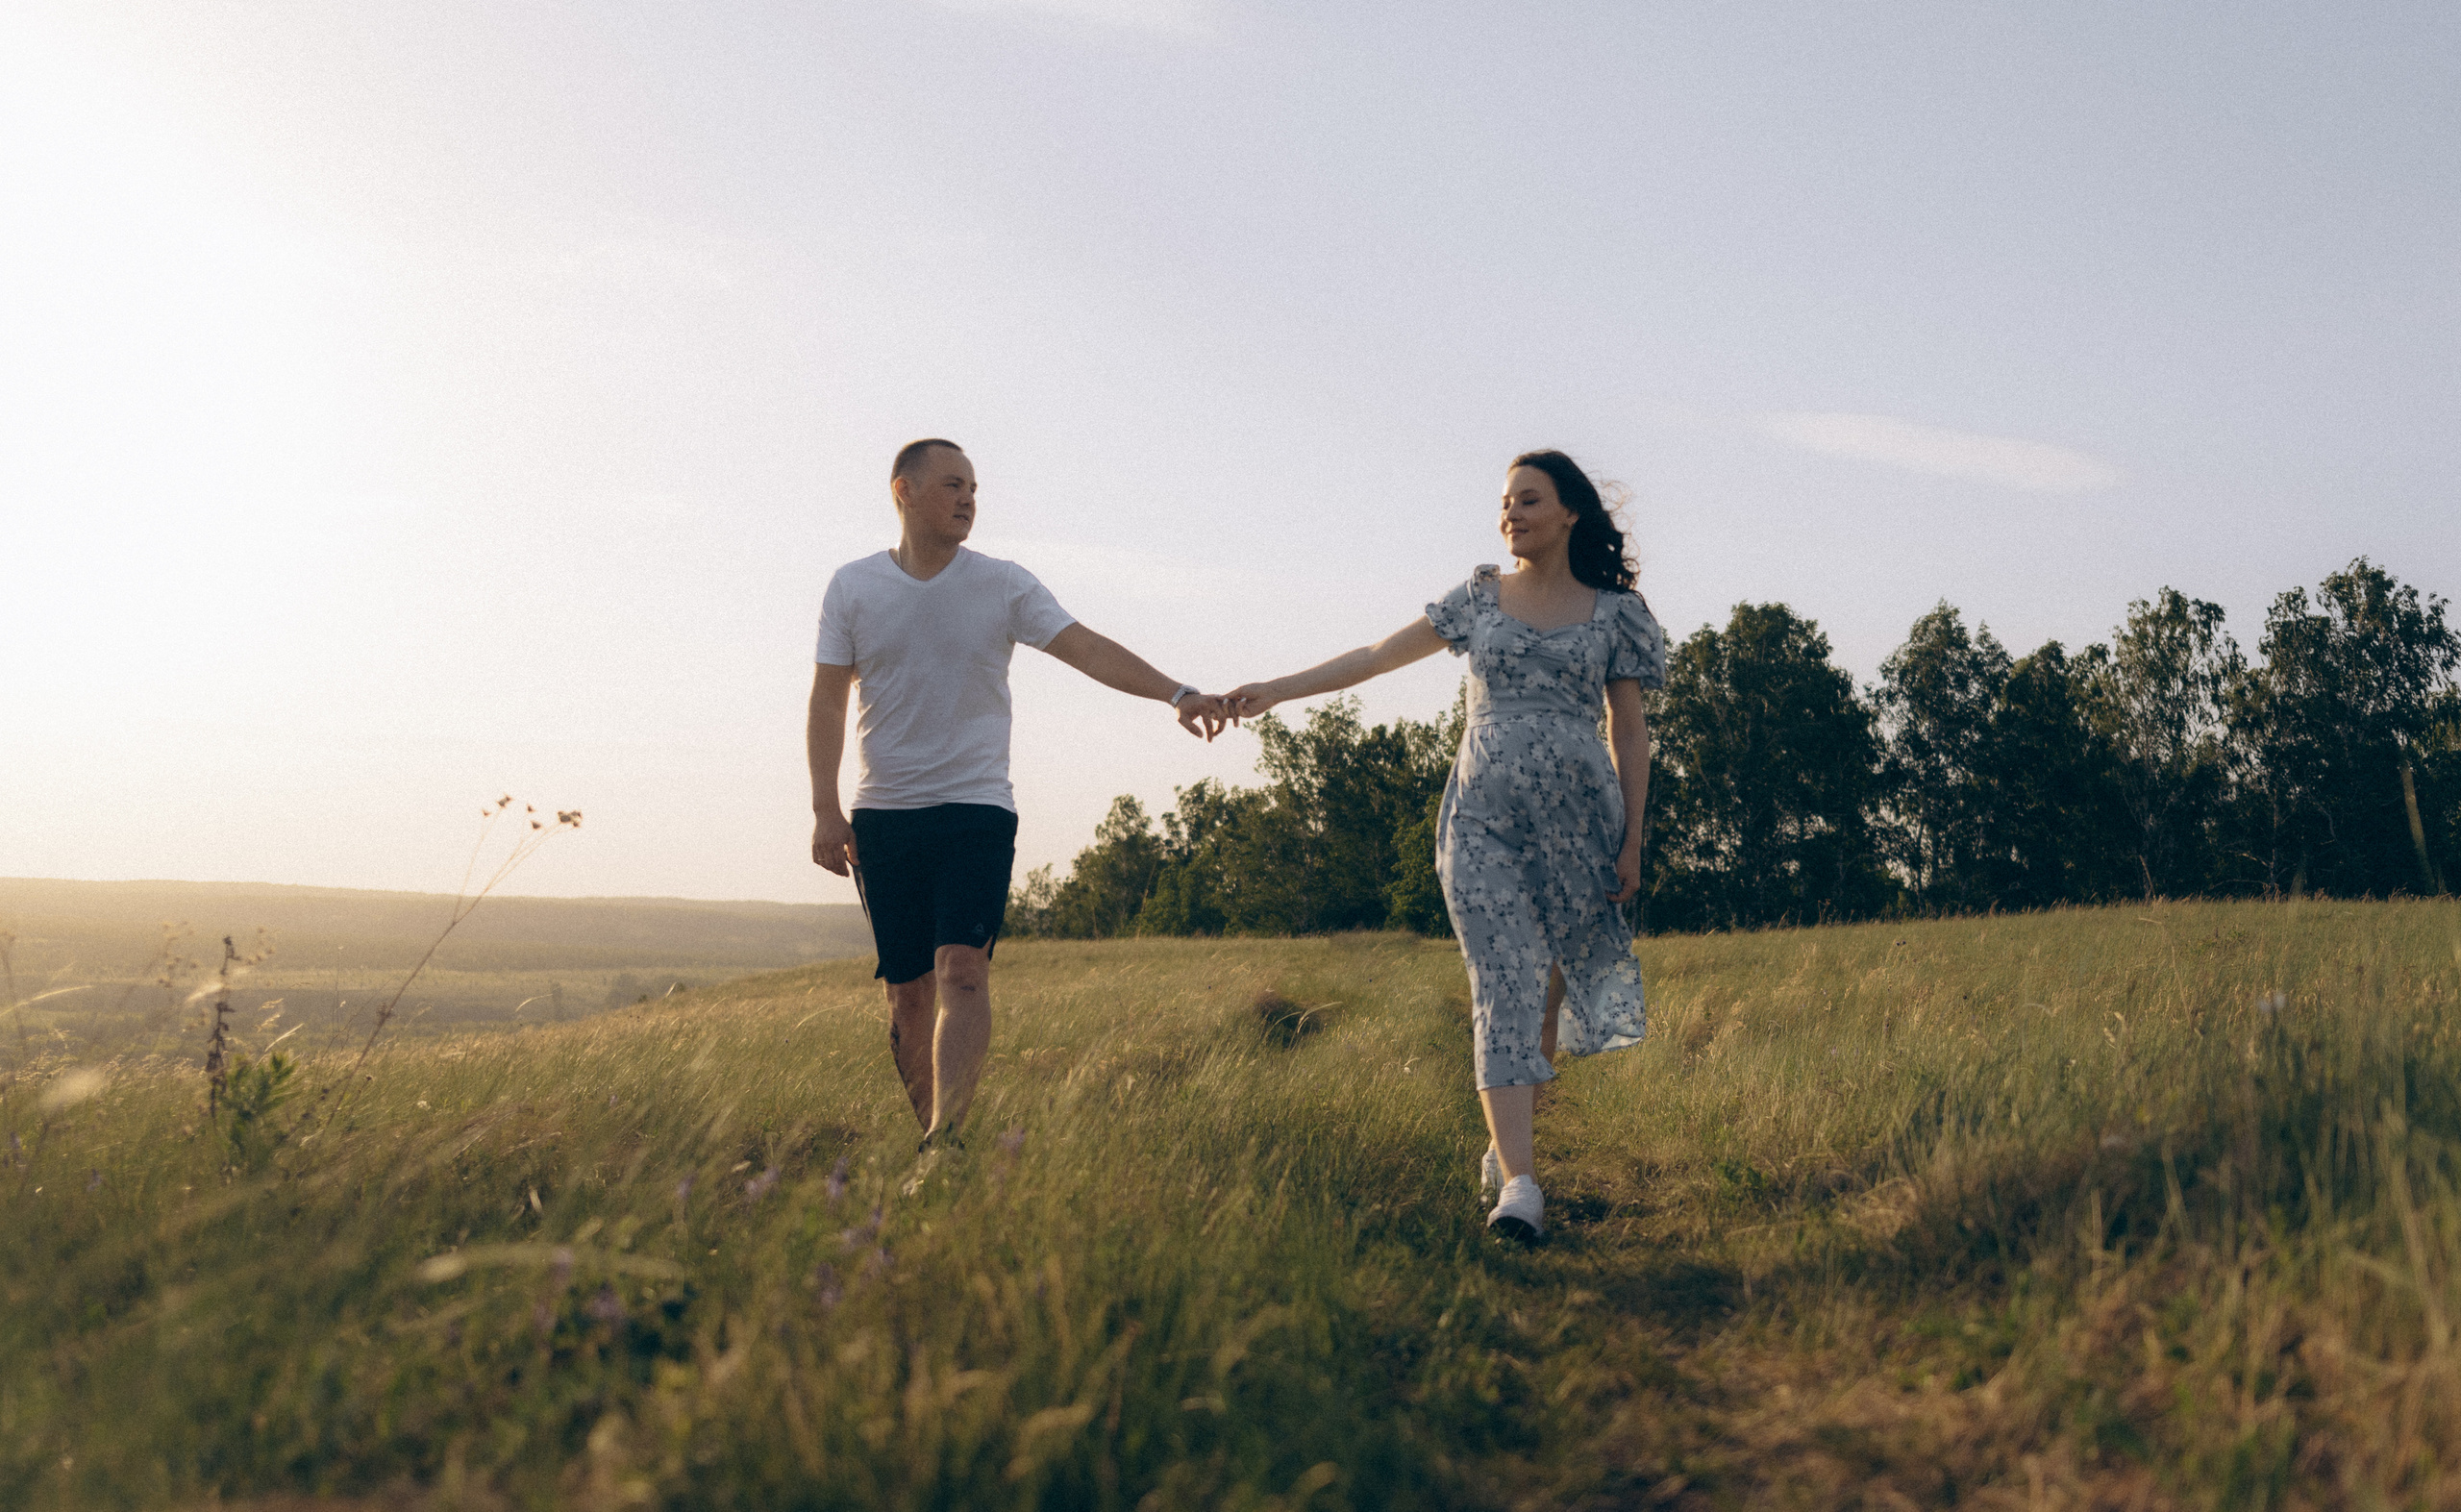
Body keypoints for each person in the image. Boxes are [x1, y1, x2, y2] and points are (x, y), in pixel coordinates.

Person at [1225, 450, 1665, 1241]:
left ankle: (1507, 1142)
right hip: (1483, 821)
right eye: (1505, 503)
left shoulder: (1614, 612)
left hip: (1578, 828)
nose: (1511, 514)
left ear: (1570, 513)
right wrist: (1277, 688)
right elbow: (1373, 657)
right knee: (1500, 984)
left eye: (1528, 500)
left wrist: (1633, 836)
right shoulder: (1479, 598)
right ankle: (1522, 1186)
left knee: (1542, 1000)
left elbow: (1628, 730)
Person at [808, 438, 1228, 1152]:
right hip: (885, 813)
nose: (969, 498)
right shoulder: (853, 587)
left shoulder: (1002, 584)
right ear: (903, 492)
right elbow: (826, 701)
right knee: (907, 992)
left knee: (962, 969)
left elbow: (1087, 647)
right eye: (952, 485)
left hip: (976, 808)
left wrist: (1178, 693)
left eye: (973, 486)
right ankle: (934, 1147)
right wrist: (825, 805)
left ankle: (946, 1141)